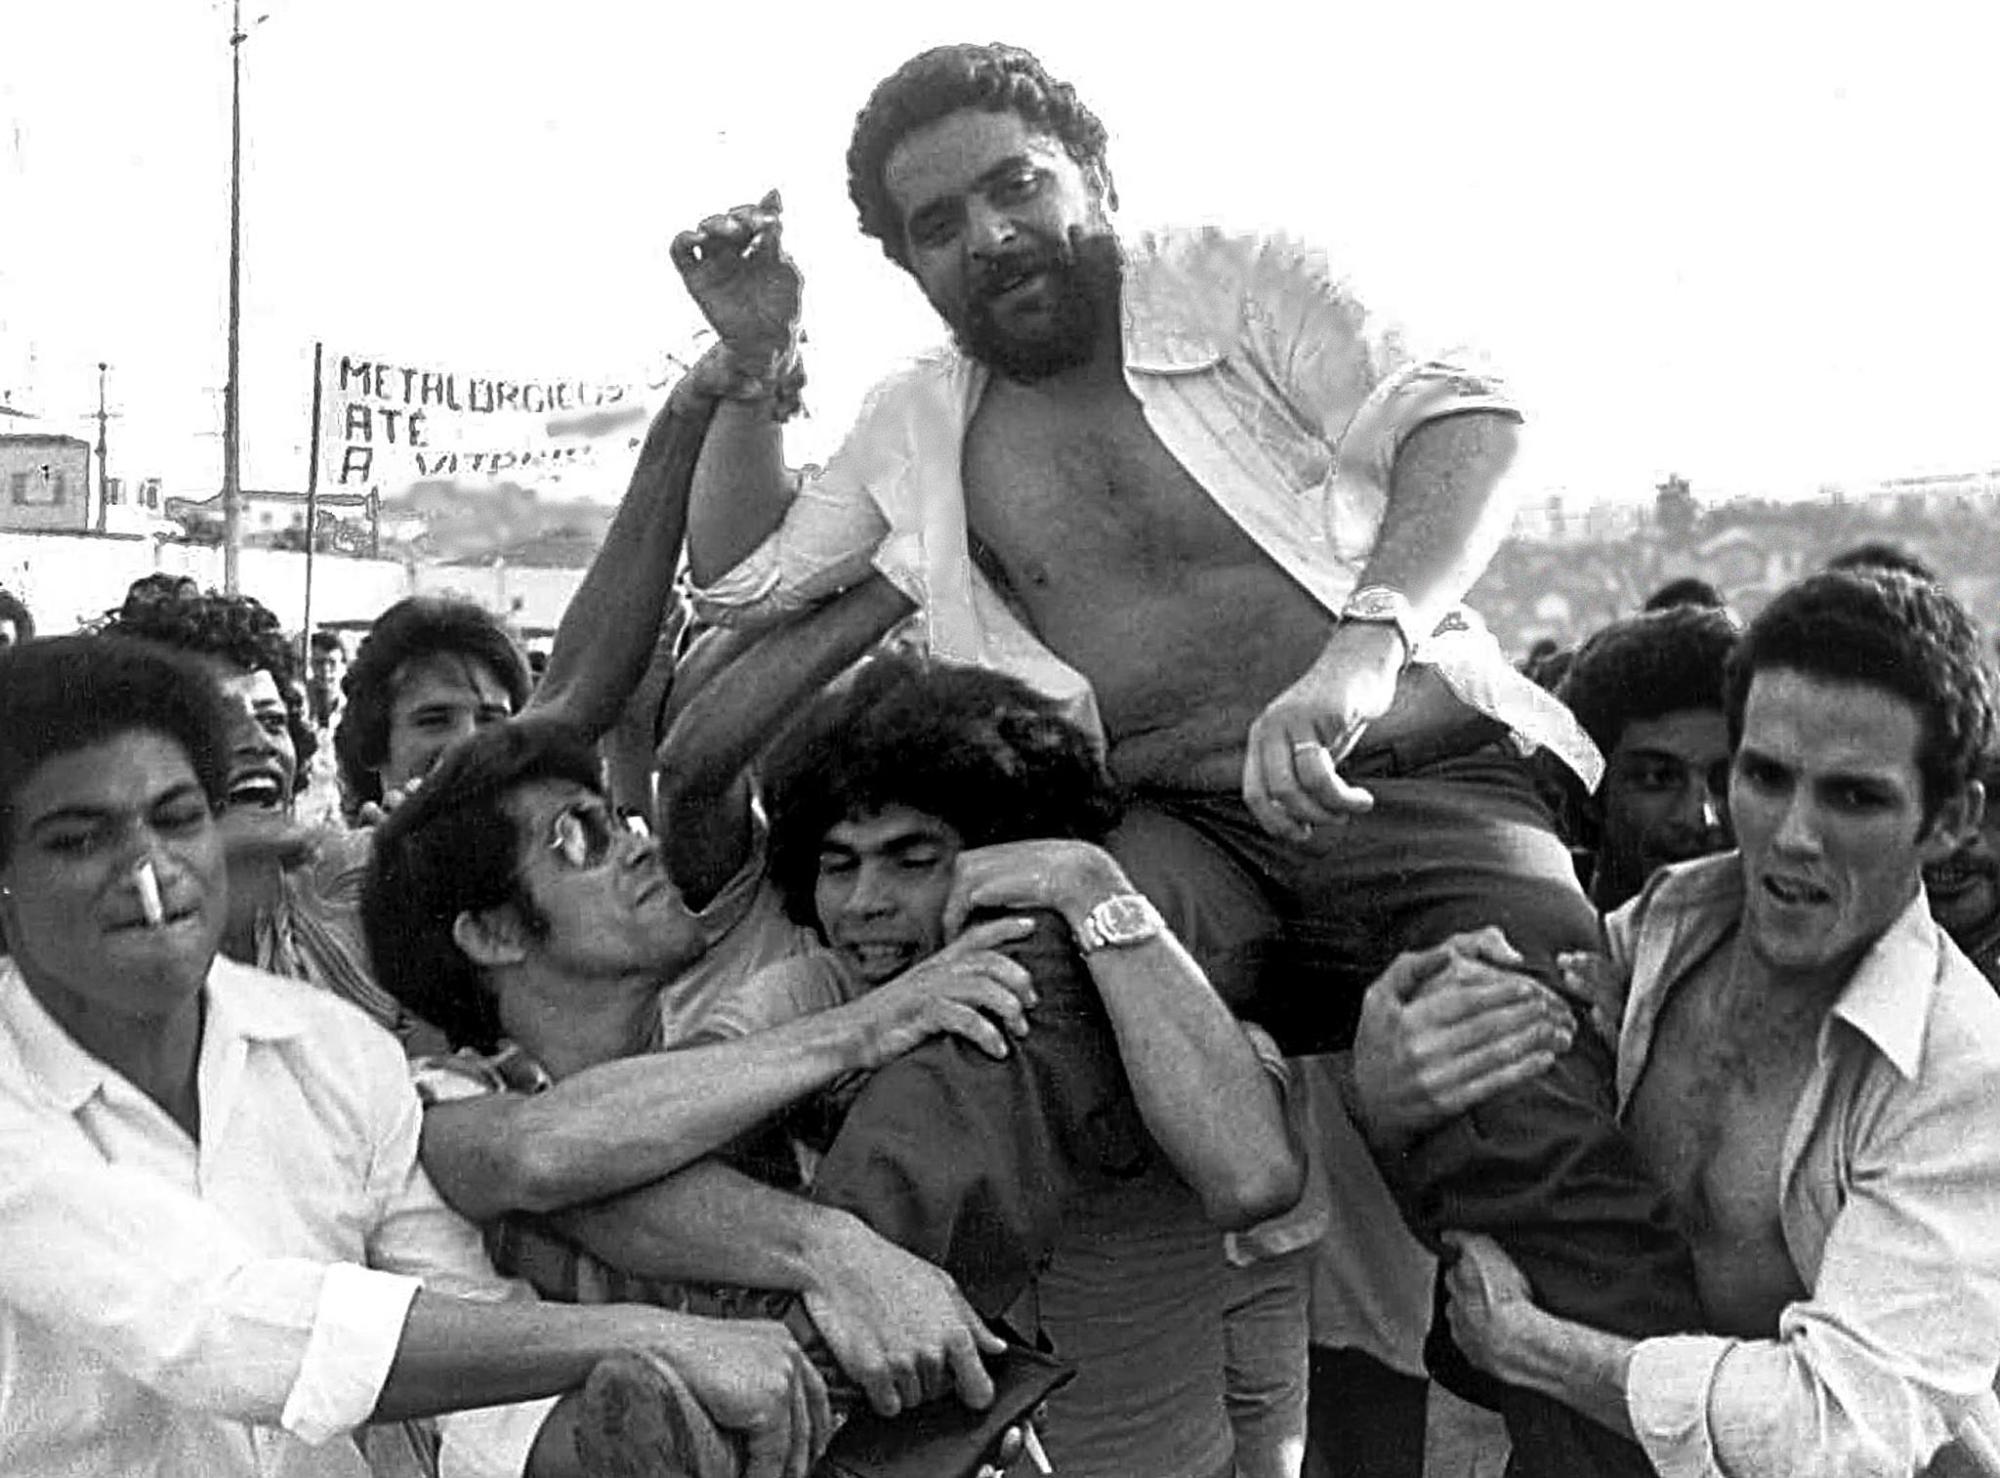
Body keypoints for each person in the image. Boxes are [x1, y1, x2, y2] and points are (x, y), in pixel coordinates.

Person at [669, 40, 1672, 1473]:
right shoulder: (921, 422)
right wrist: (761, 366)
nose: (988, 236)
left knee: (1527, 1108)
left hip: (1423, 795)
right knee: (984, 1026)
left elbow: (1469, 416)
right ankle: (810, 1407)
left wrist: (1355, 653)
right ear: (910, 267)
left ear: (1095, 174)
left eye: (1015, 186)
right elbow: (748, 583)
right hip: (1176, 842)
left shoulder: (1236, 279)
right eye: (936, 227)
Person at [362, 653, 1301, 1478]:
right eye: (838, 864)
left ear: (1006, 854)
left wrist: (1092, 889)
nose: (865, 903)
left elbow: (1253, 1174)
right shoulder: (805, 1008)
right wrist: (847, 1245)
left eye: (912, 858)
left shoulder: (1143, 996)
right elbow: (558, 1159)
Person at [0, 635, 830, 1478]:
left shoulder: (335, 1055)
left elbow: (466, 1341)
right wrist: (653, 1336)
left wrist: (637, 1433)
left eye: (177, 820)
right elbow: (214, 1328)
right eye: (78, 840)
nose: (149, 869)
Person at [1354, 568, 2000, 1476]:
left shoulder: (1964, 1076)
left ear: (1950, 822)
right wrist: (1388, 1105)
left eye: (1854, 797)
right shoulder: (1654, 933)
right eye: (1766, 777)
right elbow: (1501, 1228)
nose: (1794, 834)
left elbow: (1842, 1433)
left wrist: (1536, 1351)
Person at [1554, 604, 1738, 909]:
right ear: (1590, 794)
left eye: (1727, 778)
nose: (1703, 819)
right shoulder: (1524, 929)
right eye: (1659, 778)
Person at [333, 595, 530, 822]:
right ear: (375, 744)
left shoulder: (555, 849)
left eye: (491, 720)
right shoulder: (336, 855)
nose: (466, 743)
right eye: (435, 720)